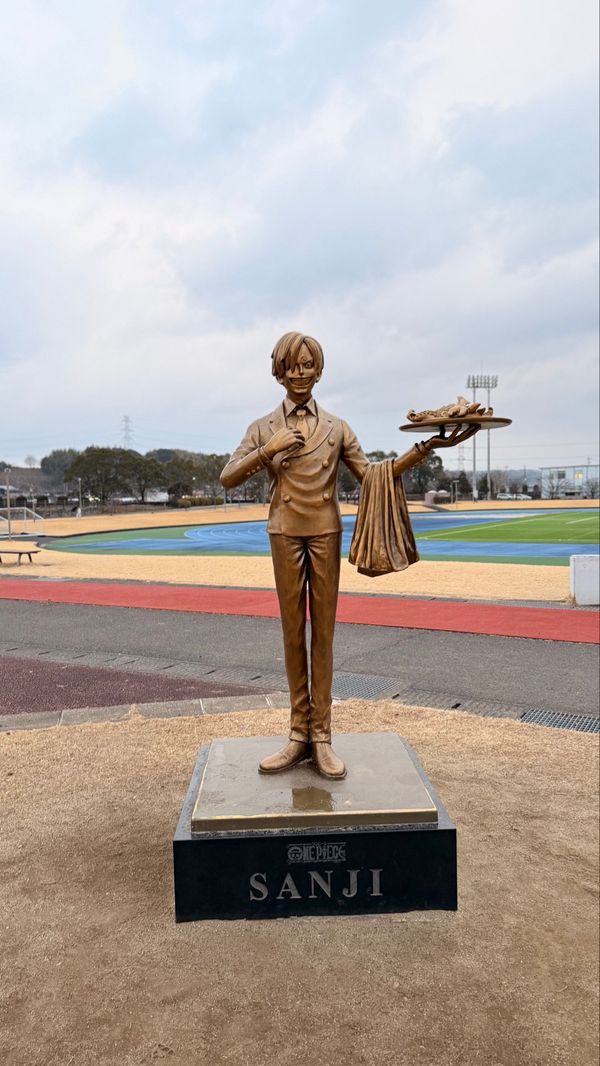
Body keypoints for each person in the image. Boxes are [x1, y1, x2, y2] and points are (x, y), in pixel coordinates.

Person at [220, 332, 475, 780]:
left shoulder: (337, 427)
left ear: (319, 371)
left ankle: (321, 736)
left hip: (324, 532)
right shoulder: (263, 426)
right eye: (292, 366)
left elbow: (373, 475)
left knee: (325, 635)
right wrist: (270, 448)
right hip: (283, 532)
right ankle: (297, 732)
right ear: (278, 371)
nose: (300, 374)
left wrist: (424, 449)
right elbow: (227, 477)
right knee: (291, 632)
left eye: (308, 365)